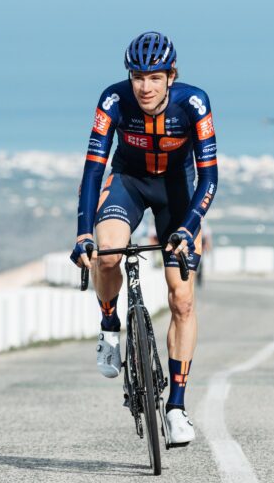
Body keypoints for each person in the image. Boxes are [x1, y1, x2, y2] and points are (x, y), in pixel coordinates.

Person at [70, 31, 218, 447]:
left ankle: (177, 408)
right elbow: (93, 170)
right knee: (108, 255)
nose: (145, 87)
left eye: (154, 77)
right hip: (129, 184)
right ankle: (109, 325)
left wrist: (189, 226)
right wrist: (84, 231)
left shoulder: (194, 103)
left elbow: (209, 176)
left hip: (177, 192)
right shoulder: (113, 101)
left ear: (172, 76)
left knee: (182, 299)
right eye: (138, 77)